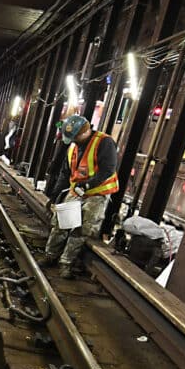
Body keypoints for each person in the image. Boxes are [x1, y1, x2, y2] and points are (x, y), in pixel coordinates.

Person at [39, 114, 118, 279]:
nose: (74, 141)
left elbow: (108, 169)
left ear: (86, 131)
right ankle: (50, 255)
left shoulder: (104, 142)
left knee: (82, 229)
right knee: (61, 223)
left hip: (97, 193)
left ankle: (65, 263)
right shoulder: (73, 146)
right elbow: (65, 172)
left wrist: (88, 185)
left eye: (76, 137)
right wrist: (54, 197)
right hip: (76, 191)